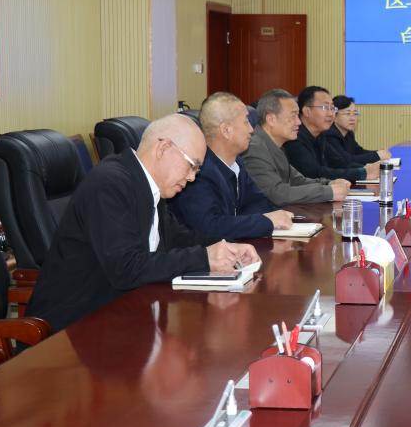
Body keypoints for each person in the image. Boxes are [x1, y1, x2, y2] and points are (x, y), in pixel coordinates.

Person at [26, 114, 259, 333]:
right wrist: (204, 258)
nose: (191, 177)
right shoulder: (109, 184)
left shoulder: (147, 185)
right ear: (163, 148)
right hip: (73, 330)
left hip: (123, 317)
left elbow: (179, 238)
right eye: (192, 165)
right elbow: (125, 267)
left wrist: (226, 247)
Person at [171, 92, 294, 239]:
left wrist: (256, 220)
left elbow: (259, 202)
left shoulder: (237, 163)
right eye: (246, 121)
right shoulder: (199, 171)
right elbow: (209, 227)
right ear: (226, 130)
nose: (251, 129)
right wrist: (264, 221)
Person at [243, 88, 350, 205]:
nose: (298, 122)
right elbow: (277, 193)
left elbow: (297, 180)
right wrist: (328, 192)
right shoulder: (254, 148)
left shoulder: (276, 145)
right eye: (293, 116)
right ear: (271, 119)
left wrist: (329, 184)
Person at [284, 86, 380, 184]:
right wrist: (362, 173)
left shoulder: (320, 135)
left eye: (332, 108)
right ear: (307, 111)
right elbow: (314, 173)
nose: (331, 114)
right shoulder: (294, 138)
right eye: (325, 107)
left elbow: (339, 163)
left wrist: (366, 168)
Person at [323, 95, 391, 169]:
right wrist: (377, 155)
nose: (353, 118)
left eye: (355, 113)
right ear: (334, 116)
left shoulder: (348, 133)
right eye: (348, 114)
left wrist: (378, 152)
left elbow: (358, 151)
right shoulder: (330, 135)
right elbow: (346, 161)